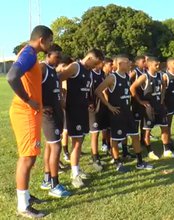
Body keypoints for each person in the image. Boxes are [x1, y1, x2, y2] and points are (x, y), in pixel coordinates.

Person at [7, 25, 53, 218]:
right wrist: (27, 99)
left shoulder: (27, 53)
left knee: (30, 156)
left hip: (29, 112)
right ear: (41, 40)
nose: (51, 44)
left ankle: (25, 195)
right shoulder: (29, 54)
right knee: (27, 158)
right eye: (50, 40)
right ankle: (23, 206)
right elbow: (11, 76)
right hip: (25, 112)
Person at [95, 55, 153, 171]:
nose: (129, 64)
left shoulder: (127, 76)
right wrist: (109, 106)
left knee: (135, 136)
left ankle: (140, 162)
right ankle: (117, 163)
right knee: (115, 139)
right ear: (120, 64)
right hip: (117, 114)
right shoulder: (112, 77)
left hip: (128, 113)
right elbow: (98, 91)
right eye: (127, 62)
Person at [58, 49, 104, 188]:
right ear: (89, 58)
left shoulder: (88, 71)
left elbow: (85, 89)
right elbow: (58, 79)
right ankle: (74, 174)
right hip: (74, 111)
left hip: (84, 110)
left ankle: (76, 168)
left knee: (80, 141)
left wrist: (89, 102)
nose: (95, 67)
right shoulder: (75, 67)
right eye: (95, 63)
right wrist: (62, 98)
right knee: (77, 143)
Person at [39, 44, 71, 198]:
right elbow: (28, 86)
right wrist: (41, 106)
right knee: (56, 147)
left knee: (51, 146)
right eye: (56, 56)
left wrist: (62, 98)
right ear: (48, 54)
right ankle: (54, 184)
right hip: (48, 115)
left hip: (57, 112)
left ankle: (46, 180)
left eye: (60, 57)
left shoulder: (53, 70)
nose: (58, 59)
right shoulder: (42, 68)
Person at [130, 56, 174, 159]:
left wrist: (162, 97)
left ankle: (167, 150)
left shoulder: (161, 75)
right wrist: (140, 101)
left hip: (159, 107)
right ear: (149, 65)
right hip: (149, 108)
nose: (158, 66)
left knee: (165, 128)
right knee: (147, 130)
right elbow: (132, 87)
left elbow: (164, 86)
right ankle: (150, 151)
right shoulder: (144, 76)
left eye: (159, 64)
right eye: (156, 65)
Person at [88, 61, 107, 172]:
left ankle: (95, 155)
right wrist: (89, 103)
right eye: (101, 61)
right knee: (94, 133)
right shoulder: (90, 74)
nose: (103, 63)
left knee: (99, 131)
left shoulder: (102, 73)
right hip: (93, 108)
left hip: (102, 107)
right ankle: (95, 158)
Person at [100, 58, 113, 153]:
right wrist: (108, 104)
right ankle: (104, 143)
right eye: (110, 64)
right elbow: (104, 91)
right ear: (104, 65)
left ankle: (109, 144)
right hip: (103, 104)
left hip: (109, 103)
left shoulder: (110, 75)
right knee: (104, 127)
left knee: (109, 126)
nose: (112, 66)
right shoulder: (101, 76)